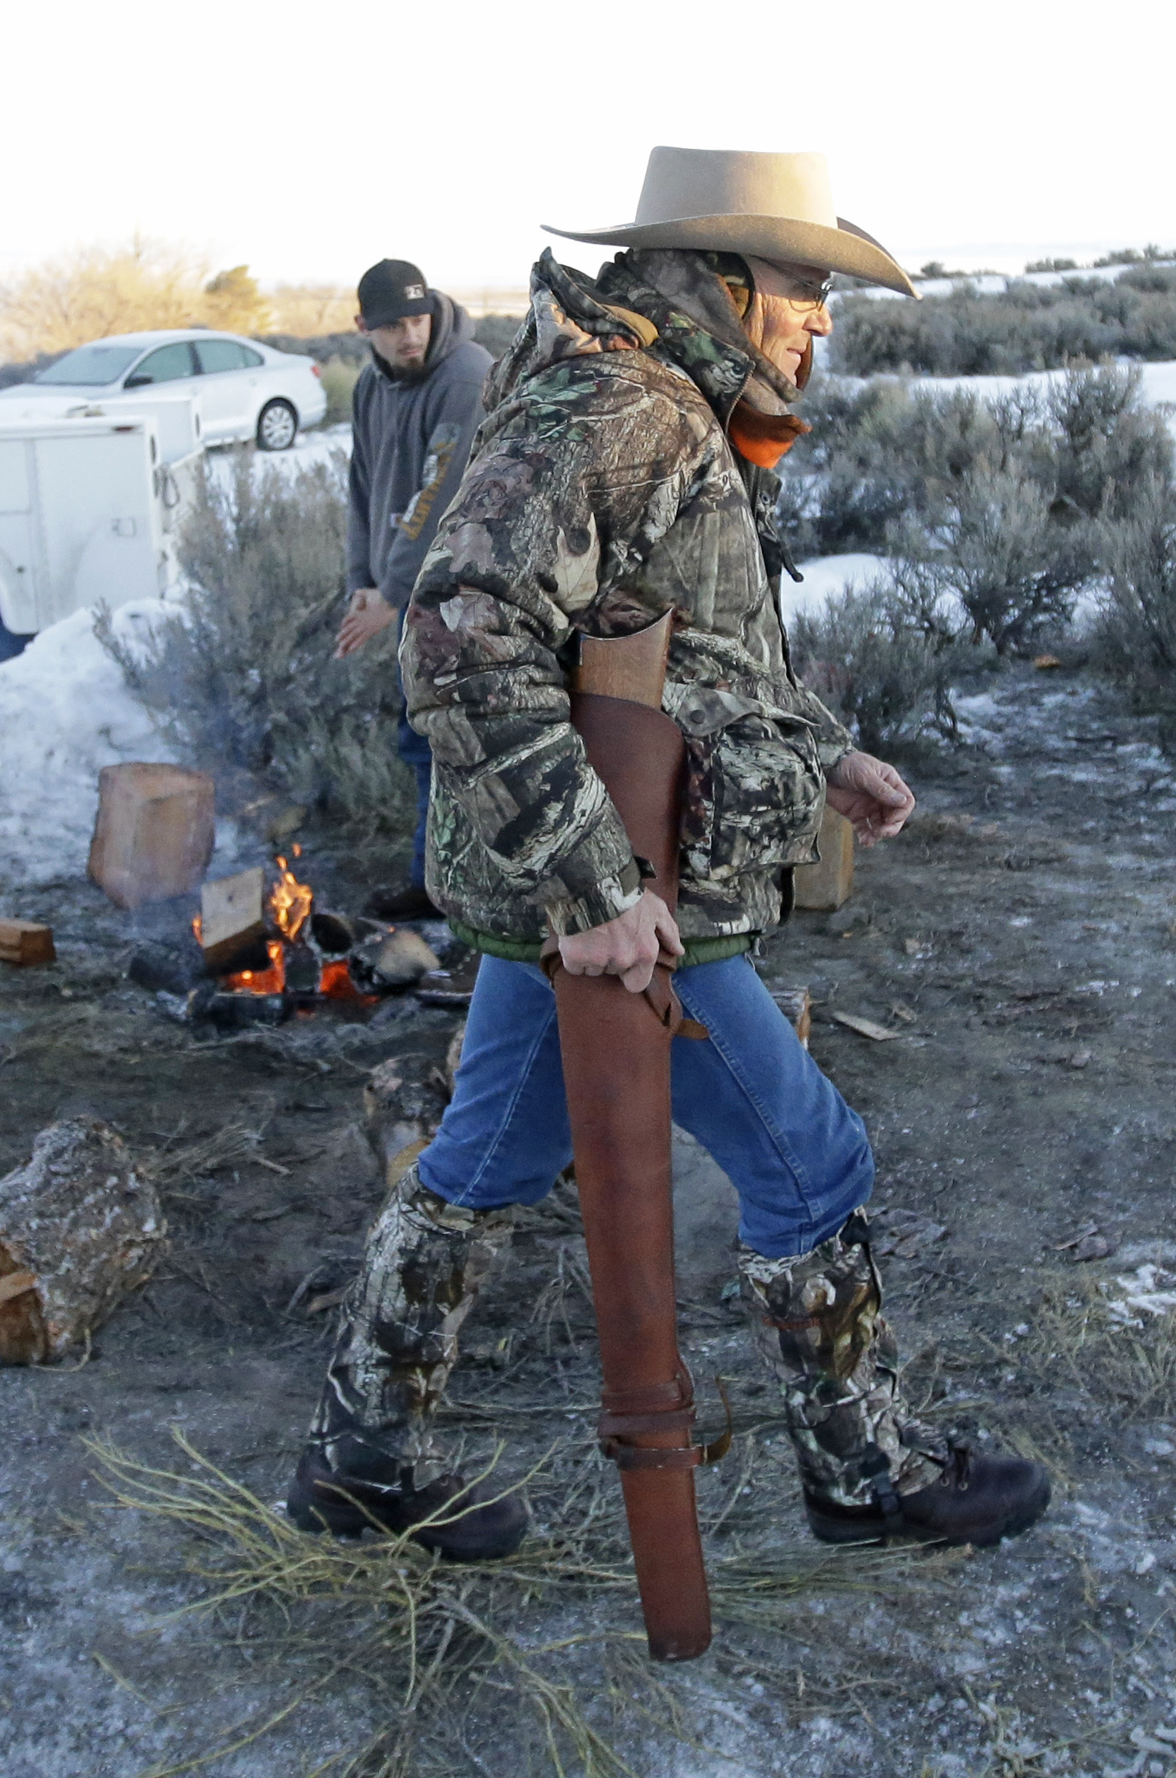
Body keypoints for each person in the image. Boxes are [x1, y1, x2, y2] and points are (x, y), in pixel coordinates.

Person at [287, 149, 1054, 1561]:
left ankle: (359, 1460)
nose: (822, 321)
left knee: (485, 1159)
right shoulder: (623, 405)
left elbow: (682, 642)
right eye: (807, 288)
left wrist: (820, 750)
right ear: (720, 277)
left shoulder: (666, 399)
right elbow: (457, 633)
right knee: (811, 1159)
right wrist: (591, 891)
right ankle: (864, 1468)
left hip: (591, 888)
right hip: (620, 893)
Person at [334, 257, 494, 920]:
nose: (410, 335)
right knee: (421, 735)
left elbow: (440, 489)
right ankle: (436, 881)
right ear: (362, 328)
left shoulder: (466, 374)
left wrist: (392, 592)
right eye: (394, 325)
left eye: (418, 318)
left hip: (463, 593)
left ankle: (453, 889)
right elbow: (363, 485)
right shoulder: (372, 387)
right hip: (408, 592)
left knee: (455, 739)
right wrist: (362, 581)